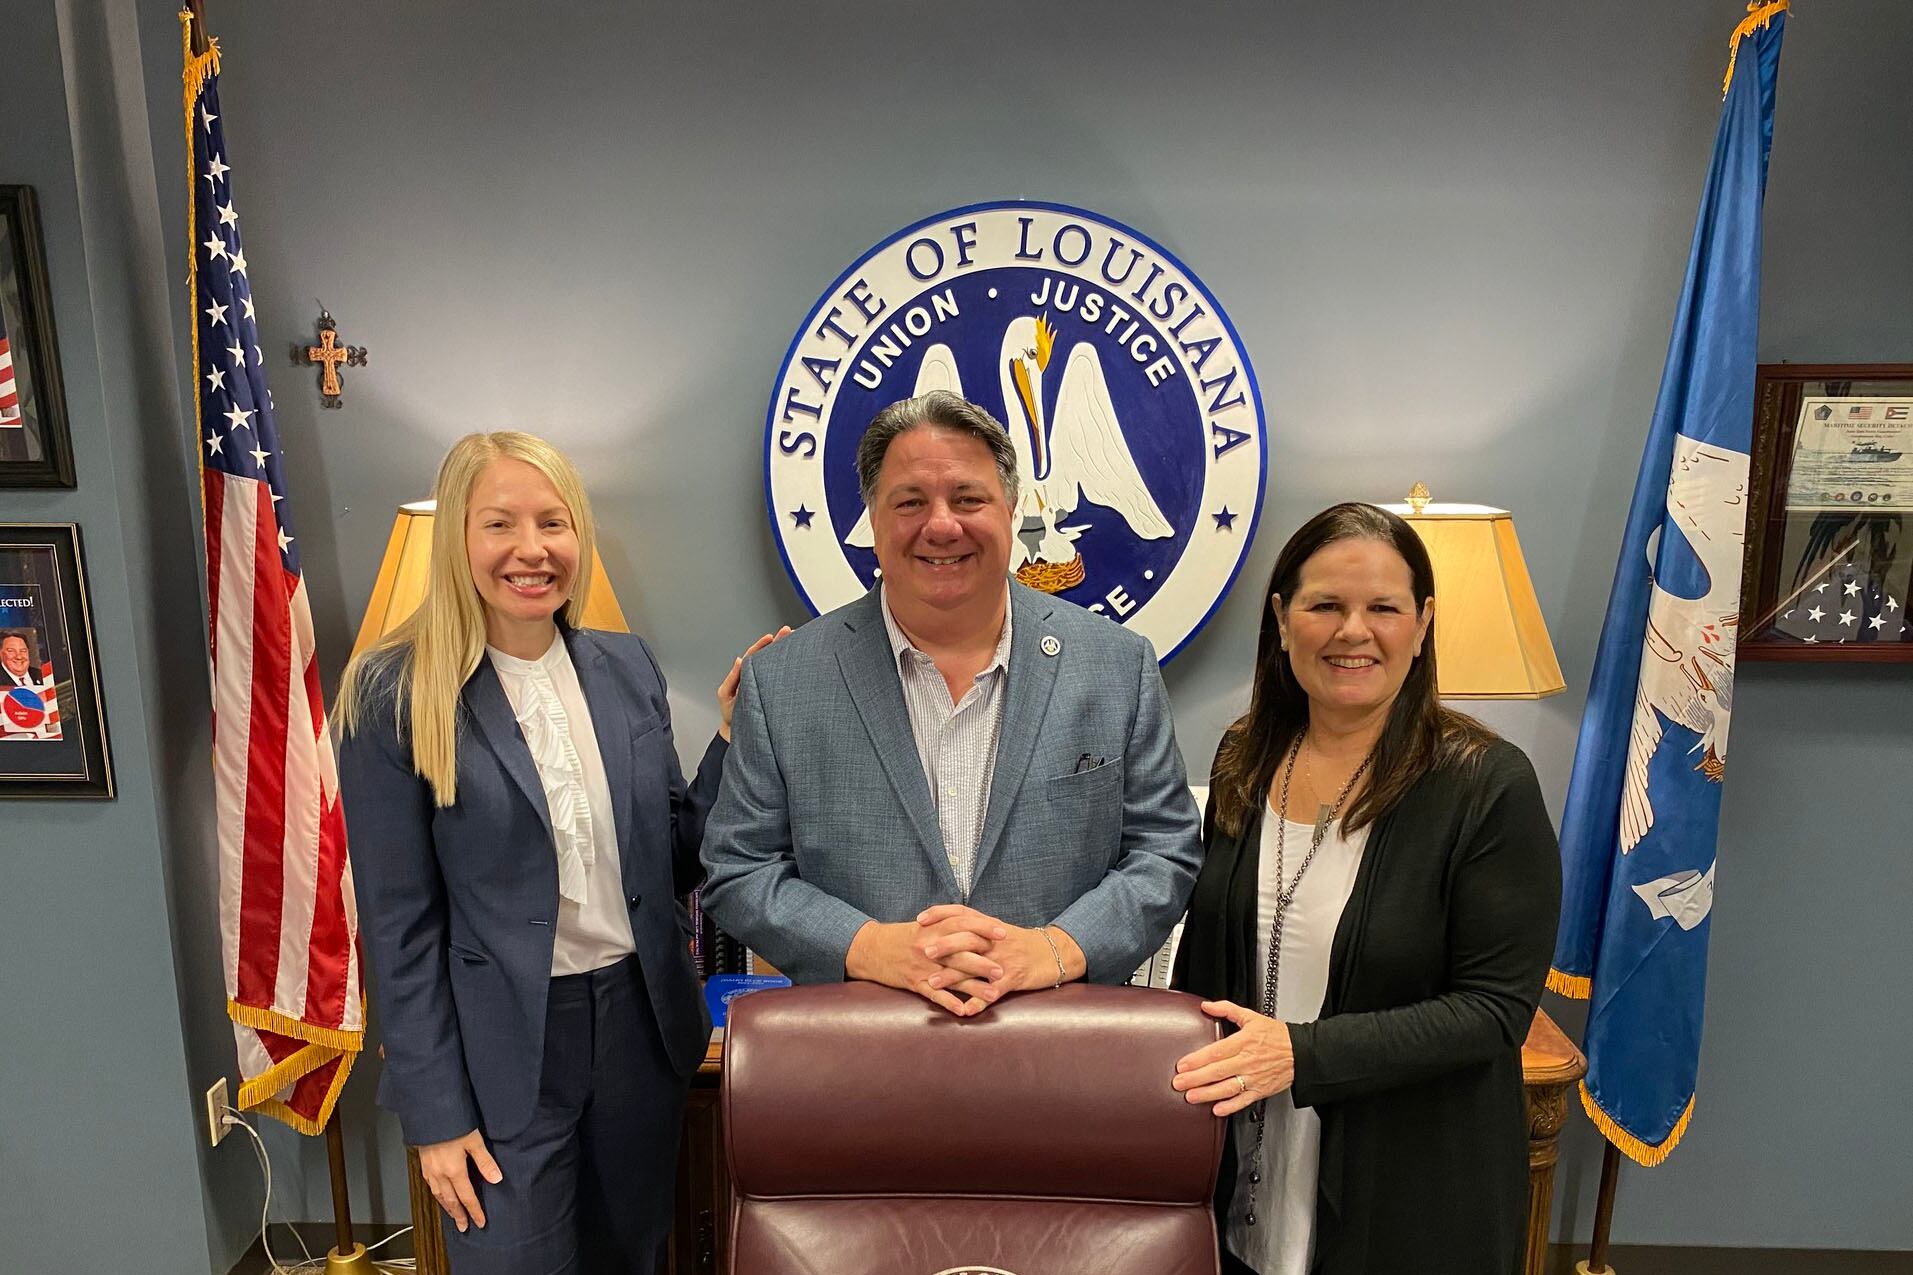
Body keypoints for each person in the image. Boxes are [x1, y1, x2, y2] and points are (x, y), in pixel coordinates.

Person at [337, 431, 780, 1274]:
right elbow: (399, 924)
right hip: (499, 1053)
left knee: (630, 1256)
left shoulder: (624, 666)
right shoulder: (393, 692)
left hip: (637, 1034)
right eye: (500, 523)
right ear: (457, 540)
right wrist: (435, 1114)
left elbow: (676, 860)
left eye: (554, 522)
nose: (531, 549)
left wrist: (729, 740)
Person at [700, 390, 1201, 1014]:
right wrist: (870, 946)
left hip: (1062, 1052)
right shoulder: (783, 680)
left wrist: (1055, 949)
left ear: (1012, 511)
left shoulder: (1116, 664)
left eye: (968, 499)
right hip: (860, 1059)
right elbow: (739, 866)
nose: (941, 525)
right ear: (873, 522)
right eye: (910, 502)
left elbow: (1165, 849)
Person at [1170, 502, 1561, 1275]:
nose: (1354, 630)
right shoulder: (1242, 756)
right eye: (1325, 605)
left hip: (1409, 1196)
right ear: (1282, 621)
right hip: (1246, 1172)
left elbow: (1492, 1011)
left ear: (1421, 626)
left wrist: (1299, 1053)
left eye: (1382, 607)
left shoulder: (1485, 784)